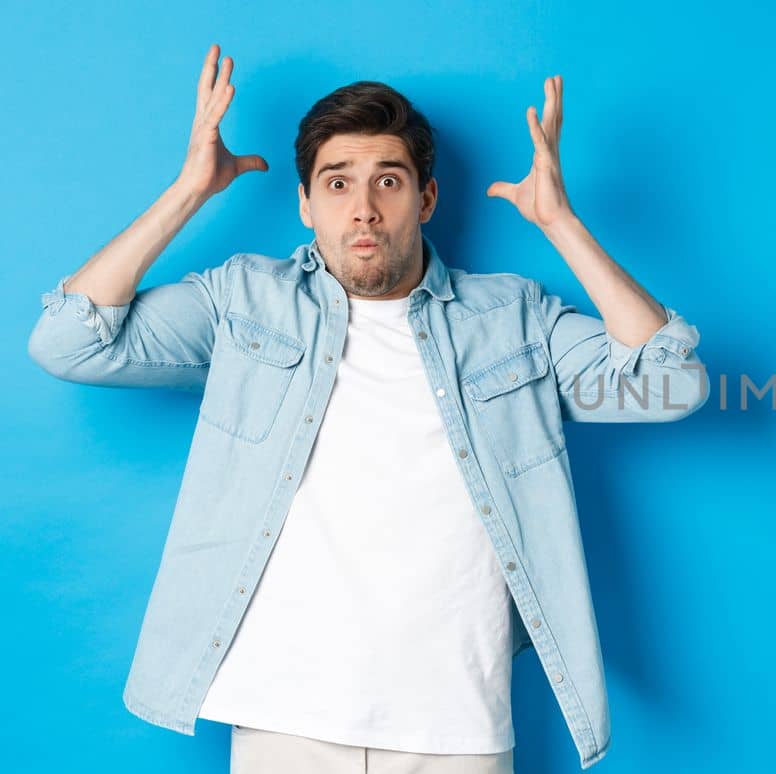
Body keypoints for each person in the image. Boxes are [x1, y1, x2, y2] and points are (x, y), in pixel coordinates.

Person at [26, 43, 708, 773]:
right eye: (337, 182)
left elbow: (671, 386)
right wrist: (191, 190)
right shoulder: (243, 301)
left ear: (427, 198)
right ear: (305, 203)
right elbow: (67, 343)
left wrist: (561, 225)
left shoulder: (513, 317)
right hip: (284, 709)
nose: (363, 208)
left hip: (456, 717)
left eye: (388, 180)